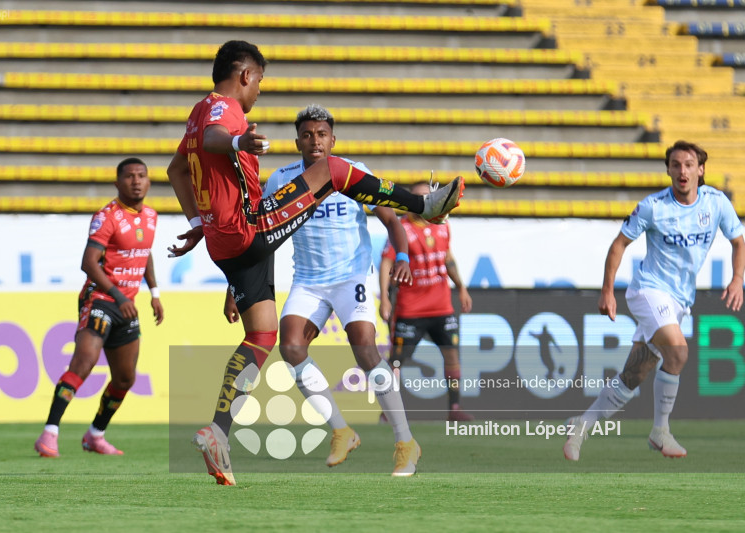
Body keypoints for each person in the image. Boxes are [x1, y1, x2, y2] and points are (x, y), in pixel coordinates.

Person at [166, 40, 463, 485]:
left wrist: (197, 221)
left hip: (226, 243)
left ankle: (218, 431)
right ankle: (424, 205)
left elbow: (176, 170)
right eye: (260, 82)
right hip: (246, 230)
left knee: (264, 335)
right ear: (246, 75)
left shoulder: (194, 114)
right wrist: (235, 139)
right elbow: (215, 139)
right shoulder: (222, 112)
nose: (258, 92)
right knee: (329, 172)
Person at [222, 104, 418, 472]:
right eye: (308, 134)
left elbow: (392, 220)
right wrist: (236, 287)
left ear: (333, 139)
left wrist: (403, 256)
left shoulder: (353, 174)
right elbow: (259, 239)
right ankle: (342, 431)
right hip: (309, 281)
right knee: (291, 346)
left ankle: (406, 441)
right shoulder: (282, 180)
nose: (315, 141)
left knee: (364, 348)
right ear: (298, 140)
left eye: (322, 134)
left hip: (351, 276)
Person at [563, 140, 745, 461]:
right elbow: (619, 245)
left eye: (689, 165)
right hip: (648, 290)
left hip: (678, 300)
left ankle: (582, 424)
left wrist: (737, 279)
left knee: (634, 375)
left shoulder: (716, 203)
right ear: (668, 170)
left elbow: (739, 242)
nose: (682, 171)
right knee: (677, 351)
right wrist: (607, 291)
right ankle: (660, 431)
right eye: (675, 165)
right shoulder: (654, 206)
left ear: (700, 170)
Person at [34, 158, 164, 457]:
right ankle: (49, 433)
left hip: (127, 305)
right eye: (129, 176)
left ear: (148, 182)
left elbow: (143, 255)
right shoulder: (106, 216)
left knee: (125, 378)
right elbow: (88, 263)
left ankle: (95, 435)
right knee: (83, 364)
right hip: (101, 301)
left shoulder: (151, 216)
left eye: (141, 176)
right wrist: (119, 297)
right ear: (117, 183)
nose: (136, 181)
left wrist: (154, 292)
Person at [379, 182, 474, 422]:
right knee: (397, 361)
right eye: (418, 197)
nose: (423, 202)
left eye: (427, 197)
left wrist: (461, 287)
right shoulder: (401, 228)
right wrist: (384, 299)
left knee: (451, 355)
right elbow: (387, 263)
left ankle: (454, 408)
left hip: (442, 306)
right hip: (411, 308)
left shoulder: (443, 225)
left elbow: (447, 258)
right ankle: (388, 410)